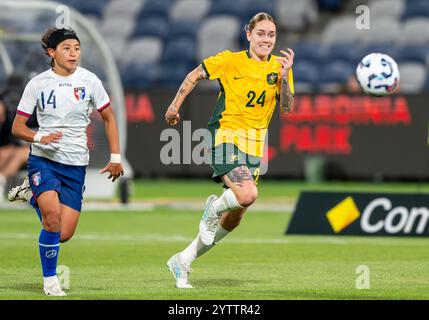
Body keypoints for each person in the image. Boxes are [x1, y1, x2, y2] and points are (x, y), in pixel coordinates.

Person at [164, 12, 295, 289]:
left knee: (235, 216)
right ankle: (212, 207)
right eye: (260, 33)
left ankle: (183, 261)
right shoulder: (229, 60)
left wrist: (284, 77)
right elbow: (194, 75)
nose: (266, 39)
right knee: (247, 194)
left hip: (254, 146)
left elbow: (286, 107)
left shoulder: (279, 67)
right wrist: (175, 105)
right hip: (225, 136)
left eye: (271, 35)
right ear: (249, 34)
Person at [10, 27, 124, 296]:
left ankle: (31, 194)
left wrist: (116, 157)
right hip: (44, 160)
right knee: (51, 220)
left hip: (75, 165)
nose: (73, 54)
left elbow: (109, 118)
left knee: (63, 233)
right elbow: (17, 127)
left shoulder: (90, 80)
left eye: (77, 48)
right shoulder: (38, 83)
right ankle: (50, 282)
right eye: (66, 48)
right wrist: (39, 137)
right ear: (52, 52)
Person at [0, 98, 30, 202]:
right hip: (20, 148)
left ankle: (1, 180)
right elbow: (12, 143)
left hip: (39, 150)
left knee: (20, 153)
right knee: (5, 153)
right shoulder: (13, 118)